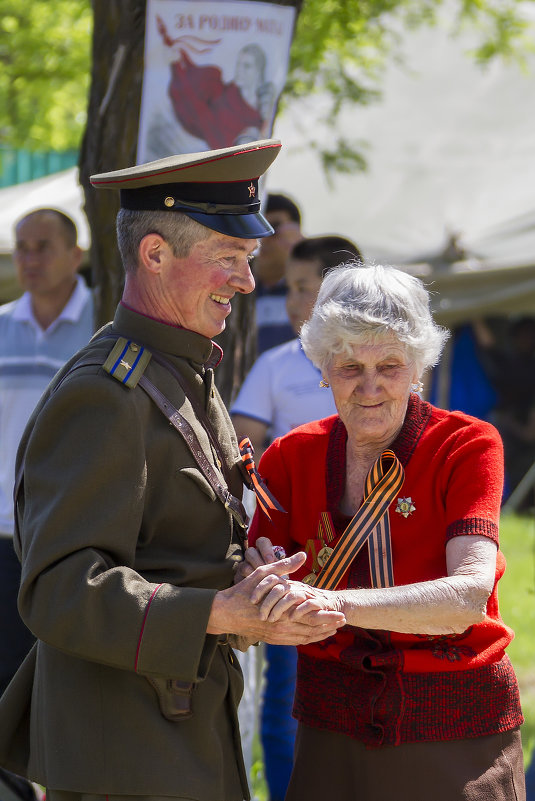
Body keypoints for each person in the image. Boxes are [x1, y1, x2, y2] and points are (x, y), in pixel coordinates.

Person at [0, 140, 346, 801]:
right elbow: (56, 586)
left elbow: (173, 538)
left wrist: (246, 571)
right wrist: (219, 611)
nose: (247, 280)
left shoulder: (182, 368)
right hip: (123, 752)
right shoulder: (104, 393)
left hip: (177, 730)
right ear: (155, 253)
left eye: (247, 260)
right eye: (228, 258)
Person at [239, 263, 526, 801]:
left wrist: (326, 604)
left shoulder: (466, 445)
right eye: (349, 366)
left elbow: (467, 595)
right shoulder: (290, 457)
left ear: (418, 366)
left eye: (390, 365)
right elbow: (256, 574)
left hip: (452, 727)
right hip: (329, 728)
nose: (369, 387)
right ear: (322, 367)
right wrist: (257, 588)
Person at [232, 235, 362, 801]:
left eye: (306, 287)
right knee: (289, 692)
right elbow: (243, 450)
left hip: (380, 557)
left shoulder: (378, 364)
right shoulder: (274, 364)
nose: (292, 300)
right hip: (301, 556)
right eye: (291, 287)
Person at [253, 193, 303, 354]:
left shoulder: (314, 291)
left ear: (296, 235)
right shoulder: (227, 288)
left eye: (273, 228)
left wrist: (304, 252)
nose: (262, 238)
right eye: (254, 227)